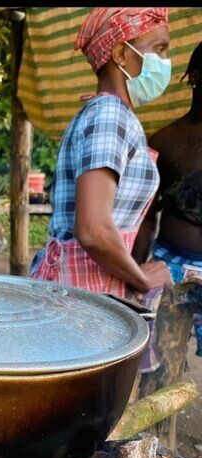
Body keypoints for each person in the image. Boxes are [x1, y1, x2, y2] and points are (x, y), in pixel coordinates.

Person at [31, 7, 173, 298]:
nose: (165, 62)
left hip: (83, 289)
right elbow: (93, 229)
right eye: (158, 49)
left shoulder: (107, 114)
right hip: (82, 294)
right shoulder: (110, 115)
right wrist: (142, 280)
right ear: (120, 53)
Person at [133, 41, 202, 355]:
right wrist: (134, 270)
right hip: (170, 264)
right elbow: (145, 215)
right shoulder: (164, 140)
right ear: (195, 77)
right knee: (161, 358)